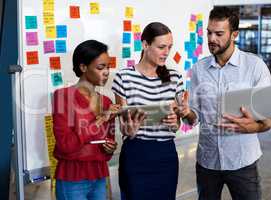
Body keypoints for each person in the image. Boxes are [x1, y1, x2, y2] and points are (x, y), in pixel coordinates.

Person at [178, 7, 271, 200]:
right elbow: (195, 116)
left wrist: (252, 126)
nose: (212, 39)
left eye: (219, 34)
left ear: (234, 34)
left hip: (242, 162)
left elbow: (270, 120)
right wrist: (187, 112)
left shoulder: (255, 67)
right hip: (207, 162)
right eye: (209, 33)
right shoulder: (199, 69)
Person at [111, 22, 184, 200]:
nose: (166, 52)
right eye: (161, 47)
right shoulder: (124, 77)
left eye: (169, 47)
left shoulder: (175, 78)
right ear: (145, 45)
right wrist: (130, 129)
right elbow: (124, 128)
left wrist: (175, 123)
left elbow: (177, 124)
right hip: (136, 153)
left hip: (166, 155)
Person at [52, 40, 120, 200]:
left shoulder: (106, 102)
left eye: (108, 67)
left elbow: (107, 146)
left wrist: (109, 148)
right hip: (72, 178)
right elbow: (66, 145)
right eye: (100, 67)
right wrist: (101, 119)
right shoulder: (63, 97)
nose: (106, 72)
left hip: (99, 177)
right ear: (83, 67)